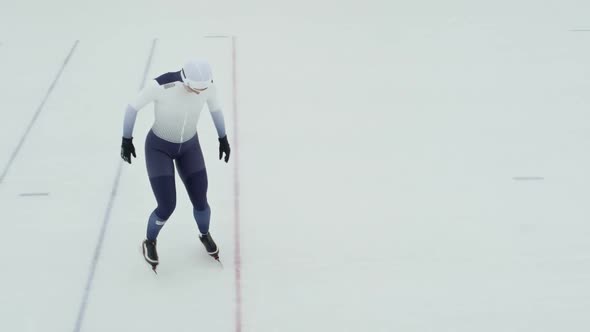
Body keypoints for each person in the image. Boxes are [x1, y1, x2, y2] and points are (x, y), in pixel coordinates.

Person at [120, 59, 230, 271]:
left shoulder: (208, 86)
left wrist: (223, 138)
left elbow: (215, 110)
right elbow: (132, 108)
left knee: (201, 200)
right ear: (185, 79)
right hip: (159, 149)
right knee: (167, 206)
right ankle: (149, 241)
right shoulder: (160, 85)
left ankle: (204, 234)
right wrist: (127, 139)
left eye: (203, 89)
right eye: (195, 89)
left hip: (189, 147)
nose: (200, 93)